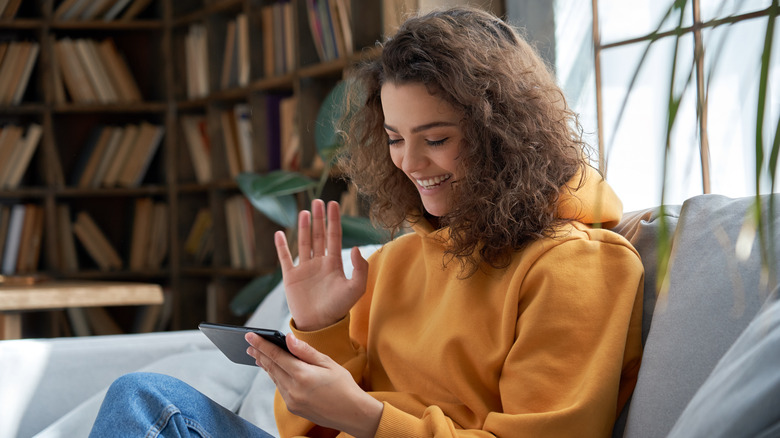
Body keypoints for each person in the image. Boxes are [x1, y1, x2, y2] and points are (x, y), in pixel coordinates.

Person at [90, 6, 644, 437]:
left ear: (507, 133)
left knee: (149, 407)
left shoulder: (579, 266)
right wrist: (320, 327)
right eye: (395, 139)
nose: (409, 163)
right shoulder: (401, 260)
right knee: (146, 399)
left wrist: (368, 417)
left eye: (437, 139)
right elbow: (313, 429)